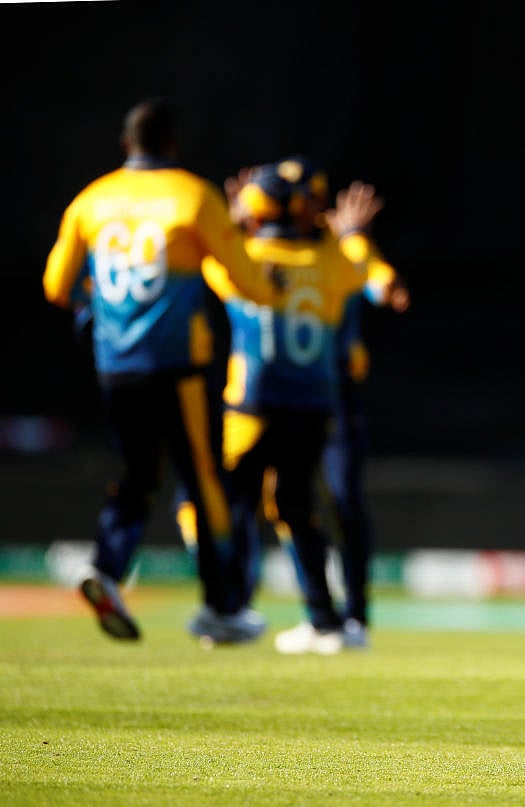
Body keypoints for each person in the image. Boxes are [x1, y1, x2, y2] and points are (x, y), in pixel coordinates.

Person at [42, 97, 279, 644]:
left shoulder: (91, 200)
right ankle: (224, 606)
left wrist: (98, 304)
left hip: (116, 365)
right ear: (173, 144)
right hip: (178, 368)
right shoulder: (193, 196)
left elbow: (56, 286)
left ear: (126, 145)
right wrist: (262, 270)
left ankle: (106, 569)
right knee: (204, 480)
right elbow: (248, 282)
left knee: (137, 475)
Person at [201, 156, 380, 655]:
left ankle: (229, 608)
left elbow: (213, 258)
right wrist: (353, 236)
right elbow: (359, 272)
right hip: (314, 405)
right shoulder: (329, 262)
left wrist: (233, 224)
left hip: (258, 407)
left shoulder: (249, 257)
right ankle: (323, 618)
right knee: (295, 507)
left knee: (231, 502)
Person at [319, 196, 410, 649]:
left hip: (331, 394)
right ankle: (233, 606)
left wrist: (359, 246)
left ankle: (352, 613)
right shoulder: (267, 250)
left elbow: (379, 283)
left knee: (342, 500)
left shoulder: (342, 255)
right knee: (275, 501)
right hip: (268, 397)